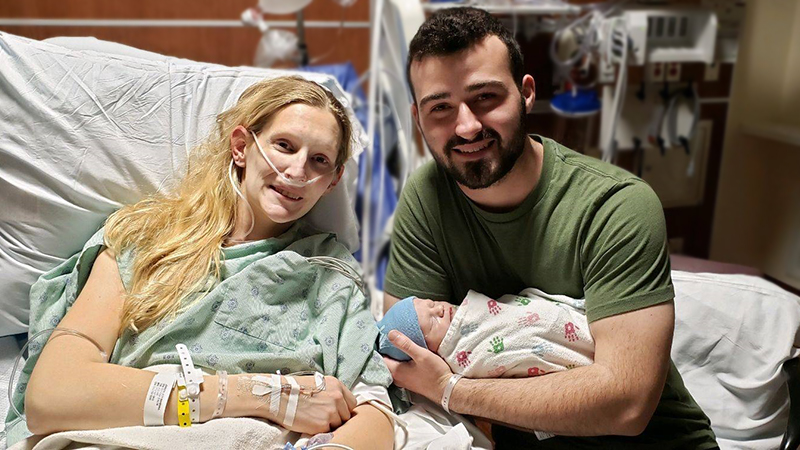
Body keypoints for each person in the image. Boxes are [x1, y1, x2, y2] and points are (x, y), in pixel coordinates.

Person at [382, 7, 718, 448]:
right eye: (440, 107)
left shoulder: (615, 206)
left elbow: (627, 404)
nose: (465, 126)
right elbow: (403, 358)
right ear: (418, 118)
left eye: (485, 97)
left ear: (526, 94)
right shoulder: (426, 199)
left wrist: (452, 390)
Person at [6, 76, 393, 450]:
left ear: (333, 179)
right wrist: (265, 396)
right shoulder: (145, 242)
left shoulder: (329, 273)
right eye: (284, 145)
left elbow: (375, 413)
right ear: (241, 146)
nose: (296, 172)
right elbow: (52, 393)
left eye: (319, 160)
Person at [377, 290, 593, 375]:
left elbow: (504, 317)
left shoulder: (472, 311)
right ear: (427, 351)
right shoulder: (463, 359)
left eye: (432, 304)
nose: (440, 309)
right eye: (432, 322)